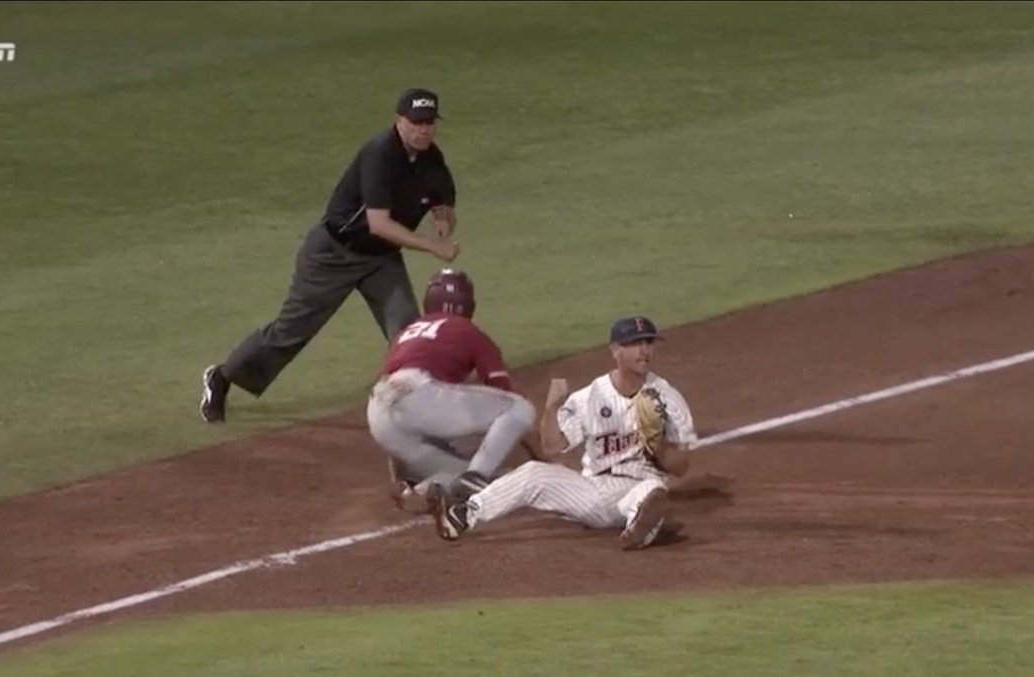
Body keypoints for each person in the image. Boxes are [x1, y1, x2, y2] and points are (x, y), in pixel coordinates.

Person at [200, 88, 461, 423]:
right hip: (333, 254)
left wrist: (443, 218)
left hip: (381, 259)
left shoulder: (431, 159)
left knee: (407, 328)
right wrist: (432, 246)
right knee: (291, 331)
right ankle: (222, 377)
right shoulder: (380, 154)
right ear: (399, 121)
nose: (423, 129)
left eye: (429, 122)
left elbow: (443, 199)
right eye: (416, 122)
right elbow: (379, 223)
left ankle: (413, 405)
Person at [426, 315, 700, 550]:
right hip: (592, 490)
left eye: (648, 342)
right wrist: (551, 407)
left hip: (639, 486)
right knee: (534, 471)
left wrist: (659, 446)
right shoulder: (589, 397)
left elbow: (681, 468)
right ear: (615, 350)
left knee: (653, 492)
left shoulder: (667, 397)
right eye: (634, 343)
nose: (644, 350)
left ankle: (638, 528)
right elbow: (552, 447)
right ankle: (463, 515)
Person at [367, 268, 540, 512]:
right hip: (421, 398)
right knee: (520, 408)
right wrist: (540, 458)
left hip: (378, 415)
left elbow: (390, 400)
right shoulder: (467, 331)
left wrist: (401, 474)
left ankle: (416, 491)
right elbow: (507, 396)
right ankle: (475, 476)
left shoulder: (406, 333)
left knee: (469, 474)